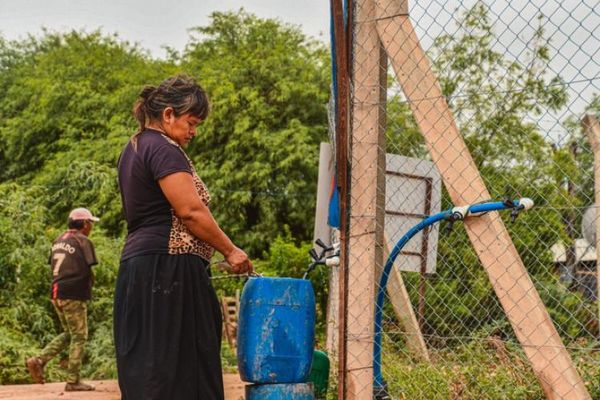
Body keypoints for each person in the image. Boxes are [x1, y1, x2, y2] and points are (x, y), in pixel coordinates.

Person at [114, 75, 253, 400]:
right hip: (168, 270)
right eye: (191, 123)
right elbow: (190, 211)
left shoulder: (132, 148)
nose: (193, 132)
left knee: (151, 367)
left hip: (140, 270)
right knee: (181, 369)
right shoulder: (164, 149)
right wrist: (231, 251)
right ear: (168, 115)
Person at [26, 207, 99, 392]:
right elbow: (90, 267)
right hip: (73, 294)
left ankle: (39, 360)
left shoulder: (58, 240)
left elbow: (54, 265)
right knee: (80, 336)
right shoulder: (82, 240)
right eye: (90, 223)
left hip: (56, 292)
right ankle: (73, 381)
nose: (91, 227)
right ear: (84, 224)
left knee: (69, 333)